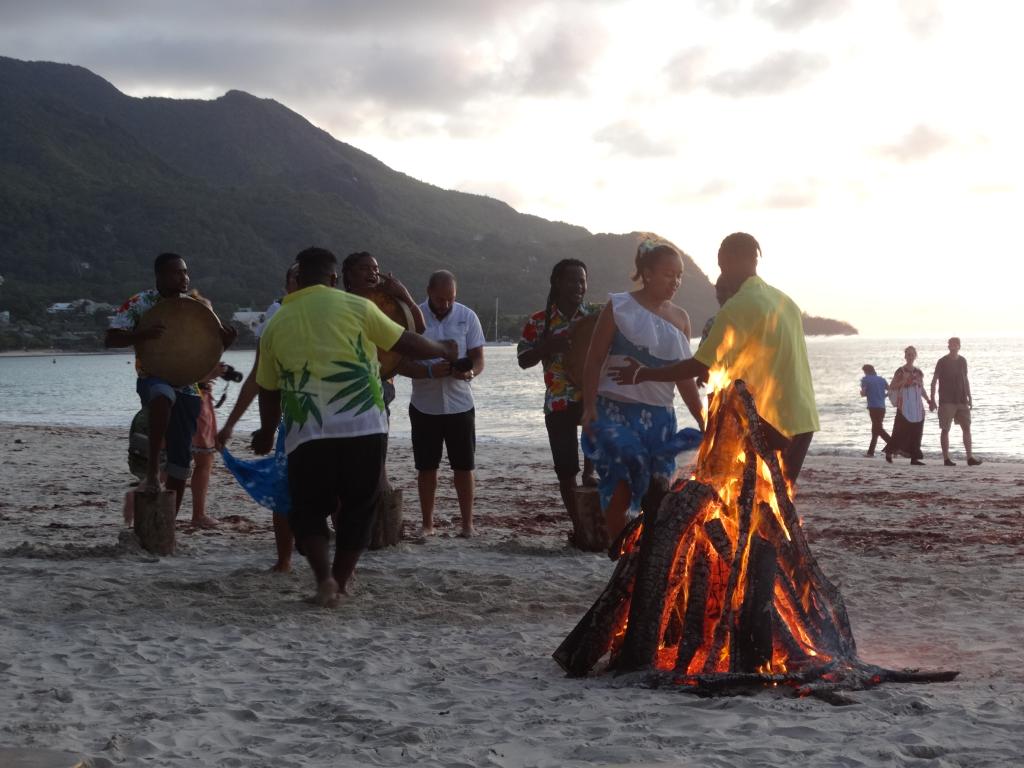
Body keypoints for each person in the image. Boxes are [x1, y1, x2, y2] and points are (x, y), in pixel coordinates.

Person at [253, 247, 456, 606]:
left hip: (308, 432)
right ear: (334, 279)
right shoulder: (358, 307)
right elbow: (405, 342)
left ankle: (323, 582)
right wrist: (442, 347)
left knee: (309, 510)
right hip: (363, 425)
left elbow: (268, 390)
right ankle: (342, 582)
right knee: (359, 507)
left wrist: (268, 432)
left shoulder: (276, 323)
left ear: (297, 280)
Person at [608, 232, 818, 485]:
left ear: (727, 261)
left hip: (772, 422)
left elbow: (699, 365)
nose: (722, 272)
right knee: (778, 498)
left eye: (721, 265)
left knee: (752, 501)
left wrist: (643, 373)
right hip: (804, 418)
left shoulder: (738, 306)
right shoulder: (785, 301)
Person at [581, 238, 705, 541]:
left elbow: (684, 377)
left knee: (658, 489)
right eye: (668, 274)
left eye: (679, 276)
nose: (675, 281)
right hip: (615, 410)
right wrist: (589, 406)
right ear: (647, 273)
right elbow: (594, 358)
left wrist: (701, 416)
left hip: (660, 417)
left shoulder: (681, 318)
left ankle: (644, 554)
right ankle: (617, 552)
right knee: (620, 486)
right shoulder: (620, 306)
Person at [105, 252, 237, 511]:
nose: (183, 277)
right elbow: (111, 339)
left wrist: (227, 342)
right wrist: (141, 335)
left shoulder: (197, 308)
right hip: (152, 377)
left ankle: (169, 525)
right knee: (163, 395)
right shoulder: (140, 302)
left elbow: (210, 348)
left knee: (180, 461)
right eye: (176, 272)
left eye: (185, 272)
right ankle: (153, 470)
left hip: (188, 385)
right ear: (160, 276)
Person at [217, 263, 299, 572]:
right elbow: (259, 377)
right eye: (295, 277)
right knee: (284, 490)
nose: (300, 281)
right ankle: (284, 560)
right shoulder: (277, 314)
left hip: (331, 417)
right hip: (294, 418)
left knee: (336, 491)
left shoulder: (331, 309)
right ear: (287, 283)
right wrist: (230, 424)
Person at [397, 270, 485, 538]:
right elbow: (400, 363)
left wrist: (469, 372)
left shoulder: (467, 316)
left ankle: (468, 524)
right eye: (440, 299)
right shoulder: (413, 317)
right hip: (424, 404)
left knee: (464, 466)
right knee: (426, 467)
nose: (446, 304)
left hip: (460, 403)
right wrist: (430, 371)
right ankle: (427, 524)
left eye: (451, 299)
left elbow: (478, 358)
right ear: (428, 291)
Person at [517, 259, 600, 532]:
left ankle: (591, 471)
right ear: (557, 283)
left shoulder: (595, 317)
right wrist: (546, 346)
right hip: (558, 401)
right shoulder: (540, 321)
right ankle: (578, 526)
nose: (578, 286)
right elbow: (523, 359)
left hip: (591, 398)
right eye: (572, 280)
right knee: (566, 470)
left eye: (582, 280)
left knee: (593, 454)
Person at [930, 337, 981, 467]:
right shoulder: (942, 361)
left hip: (962, 400)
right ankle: (946, 458)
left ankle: (969, 457)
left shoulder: (963, 361)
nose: (952, 346)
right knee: (945, 429)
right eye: (950, 344)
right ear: (948, 346)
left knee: (967, 427)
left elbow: (965, 378)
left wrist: (969, 396)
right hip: (946, 400)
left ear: (959, 346)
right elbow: (934, 380)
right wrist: (932, 399)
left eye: (955, 344)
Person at [884, 346, 929, 465]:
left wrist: (929, 400)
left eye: (912, 354)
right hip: (904, 406)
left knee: (917, 432)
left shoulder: (919, 372)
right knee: (899, 431)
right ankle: (889, 452)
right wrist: (904, 381)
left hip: (917, 407)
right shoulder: (900, 371)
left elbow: (921, 389)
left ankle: (914, 458)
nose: (910, 356)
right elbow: (892, 386)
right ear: (905, 356)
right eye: (908, 354)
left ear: (915, 356)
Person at [860, 364, 891, 458]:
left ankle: (895, 445)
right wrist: (883, 396)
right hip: (882, 407)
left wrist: (863, 394)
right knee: (876, 429)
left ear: (866, 371)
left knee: (878, 429)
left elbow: (864, 392)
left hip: (873, 407)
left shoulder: (865, 380)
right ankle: (870, 452)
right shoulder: (882, 379)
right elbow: (890, 391)